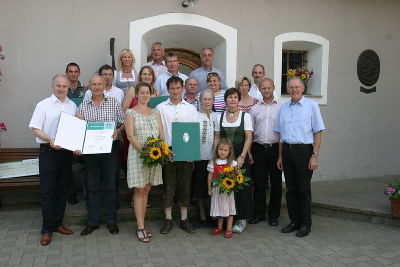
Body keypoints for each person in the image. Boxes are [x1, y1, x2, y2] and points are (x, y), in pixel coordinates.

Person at [29, 74, 76, 246]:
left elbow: (74, 129)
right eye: (59, 86)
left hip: (65, 153)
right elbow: (35, 129)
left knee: (63, 190)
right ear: (53, 86)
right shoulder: (43, 105)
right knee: (48, 191)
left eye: (64, 86)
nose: (62, 89)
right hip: (49, 151)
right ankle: (46, 229)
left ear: (68, 87)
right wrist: (50, 139)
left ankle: (58, 223)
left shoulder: (72, 105)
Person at [275, 76, 325, 237]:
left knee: (303, 189)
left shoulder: (311, 106)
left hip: (304, 152)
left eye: (297, 87)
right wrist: (280, 156)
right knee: (290, 190)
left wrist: (314, 156)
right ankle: (294, 221)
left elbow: (318, 132)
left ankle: (305, 224)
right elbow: (281, 135)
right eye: (291, 87)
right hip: (287, 151)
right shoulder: (283, 107)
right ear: (287, 90)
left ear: (303, 88)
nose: (294, 90)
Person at [78, 75, 125, 236]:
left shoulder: (113, 103)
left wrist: (118, 131)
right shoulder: (83, 106)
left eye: (100, 84)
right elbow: (79, 129)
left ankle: (111, 221)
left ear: (105, 86)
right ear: (89, 87)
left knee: (111, 185)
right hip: (91, 151)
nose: (97, 87)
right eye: (94, 84)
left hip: (110, 149)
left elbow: (123, 121)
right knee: (92, 186)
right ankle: (93, 221)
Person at [156, 76, 198, 234]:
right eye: (172, 88)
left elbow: (195, 130)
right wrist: (164, 149)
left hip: (186, 150)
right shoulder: (160, 108)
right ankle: (167, 220)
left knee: (185, 186)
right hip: (168, 151)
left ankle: (184, 220)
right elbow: (159, 132)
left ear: (183, 89)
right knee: (168, 186)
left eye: (178, 88)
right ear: (168, 90)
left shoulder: (190, 108)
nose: (175, 91)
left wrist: (192, 153)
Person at [125, 82, 164, 243]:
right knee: (139, 190)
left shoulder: (155, 112)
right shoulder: (130, 113)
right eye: (142, 93)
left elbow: (161, 134)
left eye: (147, 92)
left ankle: (142, 224)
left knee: (147, 189)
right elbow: (130, 136)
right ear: (136, 95)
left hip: (154, 157)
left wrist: (160, 150)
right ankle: (140, 226)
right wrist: (146, 153)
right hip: (138, 155)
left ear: (151, 95)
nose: (145, 95)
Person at [214, 88, 253, 233]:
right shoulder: (219, 117)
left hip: (239, 154)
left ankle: (242, 219)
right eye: (229, 97)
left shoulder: (245, 116)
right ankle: (224, 219)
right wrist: (215, 157)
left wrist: (242, 156)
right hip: (224, 155)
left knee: (242, 187)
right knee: (224, 187)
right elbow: (217, 137)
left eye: (235, 97)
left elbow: (249, 137)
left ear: (238, 99)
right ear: (225, 100)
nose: (232, 99)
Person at [248, 78, 282, 226]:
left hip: (275, 149)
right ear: (259, 89)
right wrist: (249, 152)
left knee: (276, 184)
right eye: (263, 88)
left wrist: (281, 155)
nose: (266, 90)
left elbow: (283, 132)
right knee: (259, 184)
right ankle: (259, 213)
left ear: (273, 88)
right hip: (258, 149)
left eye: (269, 88)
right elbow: (249, 132)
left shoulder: (282, 107)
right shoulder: (254, 109)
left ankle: (274, 215)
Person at [192, 89, 215, 226]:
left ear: (213, 101)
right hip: (200, 156)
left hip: (214, 157)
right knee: (200, 184)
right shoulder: (195, 116)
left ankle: (212, 210)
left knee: (213, 185)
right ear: (200, 101)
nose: (207, 101)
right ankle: (201, 210)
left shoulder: (217, 116)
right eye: (204, 99)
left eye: (209, 99)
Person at [207, 138, 237, 238]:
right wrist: (209, 189)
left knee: (229, 209)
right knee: (219, 209)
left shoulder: (231, 163)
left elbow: (236, 176)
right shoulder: (214, 162)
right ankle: (219, 227)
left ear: (229, 151)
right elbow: (210, 177)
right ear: (217, 150)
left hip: (228, 191)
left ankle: (229, 229)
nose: (222, 152)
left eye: (225, 150)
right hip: (217, 190)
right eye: (221, 149)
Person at [65, 62, 85, 205]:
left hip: (82, 129)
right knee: (67, 164)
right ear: (67, 73)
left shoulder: (85, 90)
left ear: (79, 73)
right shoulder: (62, 88)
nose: (73, 74)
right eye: (70, 71)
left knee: (85, 162)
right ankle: (70, 193)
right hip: (67, 130)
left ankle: (86, 192)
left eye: (75, 71)